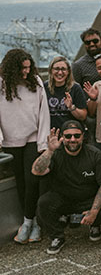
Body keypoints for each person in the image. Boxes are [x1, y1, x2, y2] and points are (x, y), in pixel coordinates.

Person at [32, 121, 101, 254]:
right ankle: (57, 236)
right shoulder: (56, 152)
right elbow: (37, 171)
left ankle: (94, 224)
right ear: (62, 137)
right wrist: (49, 150)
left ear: (83, 136)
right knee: (43, 204)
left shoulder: (94, 154)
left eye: (77, 136)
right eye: (68, 136)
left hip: (88, 200)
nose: (72, 139)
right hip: (63, 198)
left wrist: (93, 212)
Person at [1, 49, 49, 244]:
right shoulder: (2, 84)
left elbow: (44, 111)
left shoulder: (36, 82)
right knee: (20, 182)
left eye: (29, 68)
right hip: (10, 139)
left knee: (32, 181)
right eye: (23, 69)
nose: (26, 72)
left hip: (32, 137)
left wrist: (43, 141)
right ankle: (29, 220)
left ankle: (31, 222)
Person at [45, 56, 88, 130]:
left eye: (63, 69)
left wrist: (71, 107)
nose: (60, 72)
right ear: (51, 70)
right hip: (50, 133)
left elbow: (83, 116)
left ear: (68, 72)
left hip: (70, 135)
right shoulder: (44, 87)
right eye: (57, 69)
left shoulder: (75, 88)